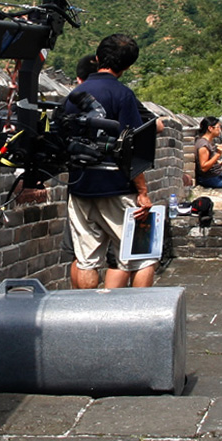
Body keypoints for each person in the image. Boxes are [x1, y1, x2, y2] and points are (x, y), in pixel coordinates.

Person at [65, 34, 158, 289]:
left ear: (97, 58)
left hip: (80, 186)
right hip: (117, 186)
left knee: (86, 260)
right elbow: (132, 146)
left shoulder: (73, 95)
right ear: (127, 67)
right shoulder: (122, 95)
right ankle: (137, 319)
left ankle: (87, 319)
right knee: (143, 257)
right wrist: (143, 191)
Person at [194, 116, 222, 188]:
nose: (220, 130)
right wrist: (218, 154)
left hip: (218, 176)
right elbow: (204, 167)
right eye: (218, 127)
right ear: (210, 128)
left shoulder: (208, 142)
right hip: (211, 179)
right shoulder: (203, 145)